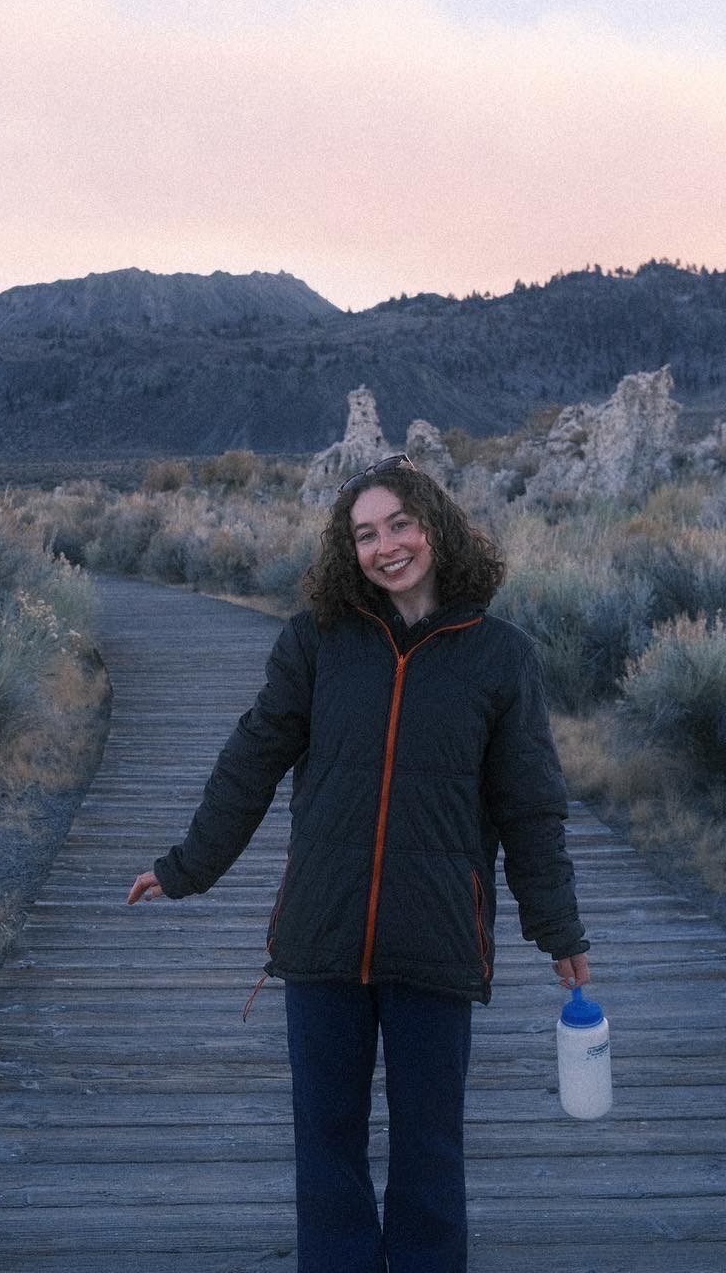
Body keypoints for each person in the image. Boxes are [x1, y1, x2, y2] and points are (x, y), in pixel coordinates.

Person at [127, 454, 591, 1273]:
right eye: (366, 534)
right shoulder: (318, 642)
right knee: (327, 1145)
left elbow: (531, 806)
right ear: (351, 551)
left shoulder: (499, 657)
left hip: (438, 939)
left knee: (431, 1149)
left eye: (400, 524)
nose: (387, 547)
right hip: (323, 933)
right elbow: (253, 757)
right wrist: (187, 866)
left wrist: (557, 928)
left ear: (435, 527)